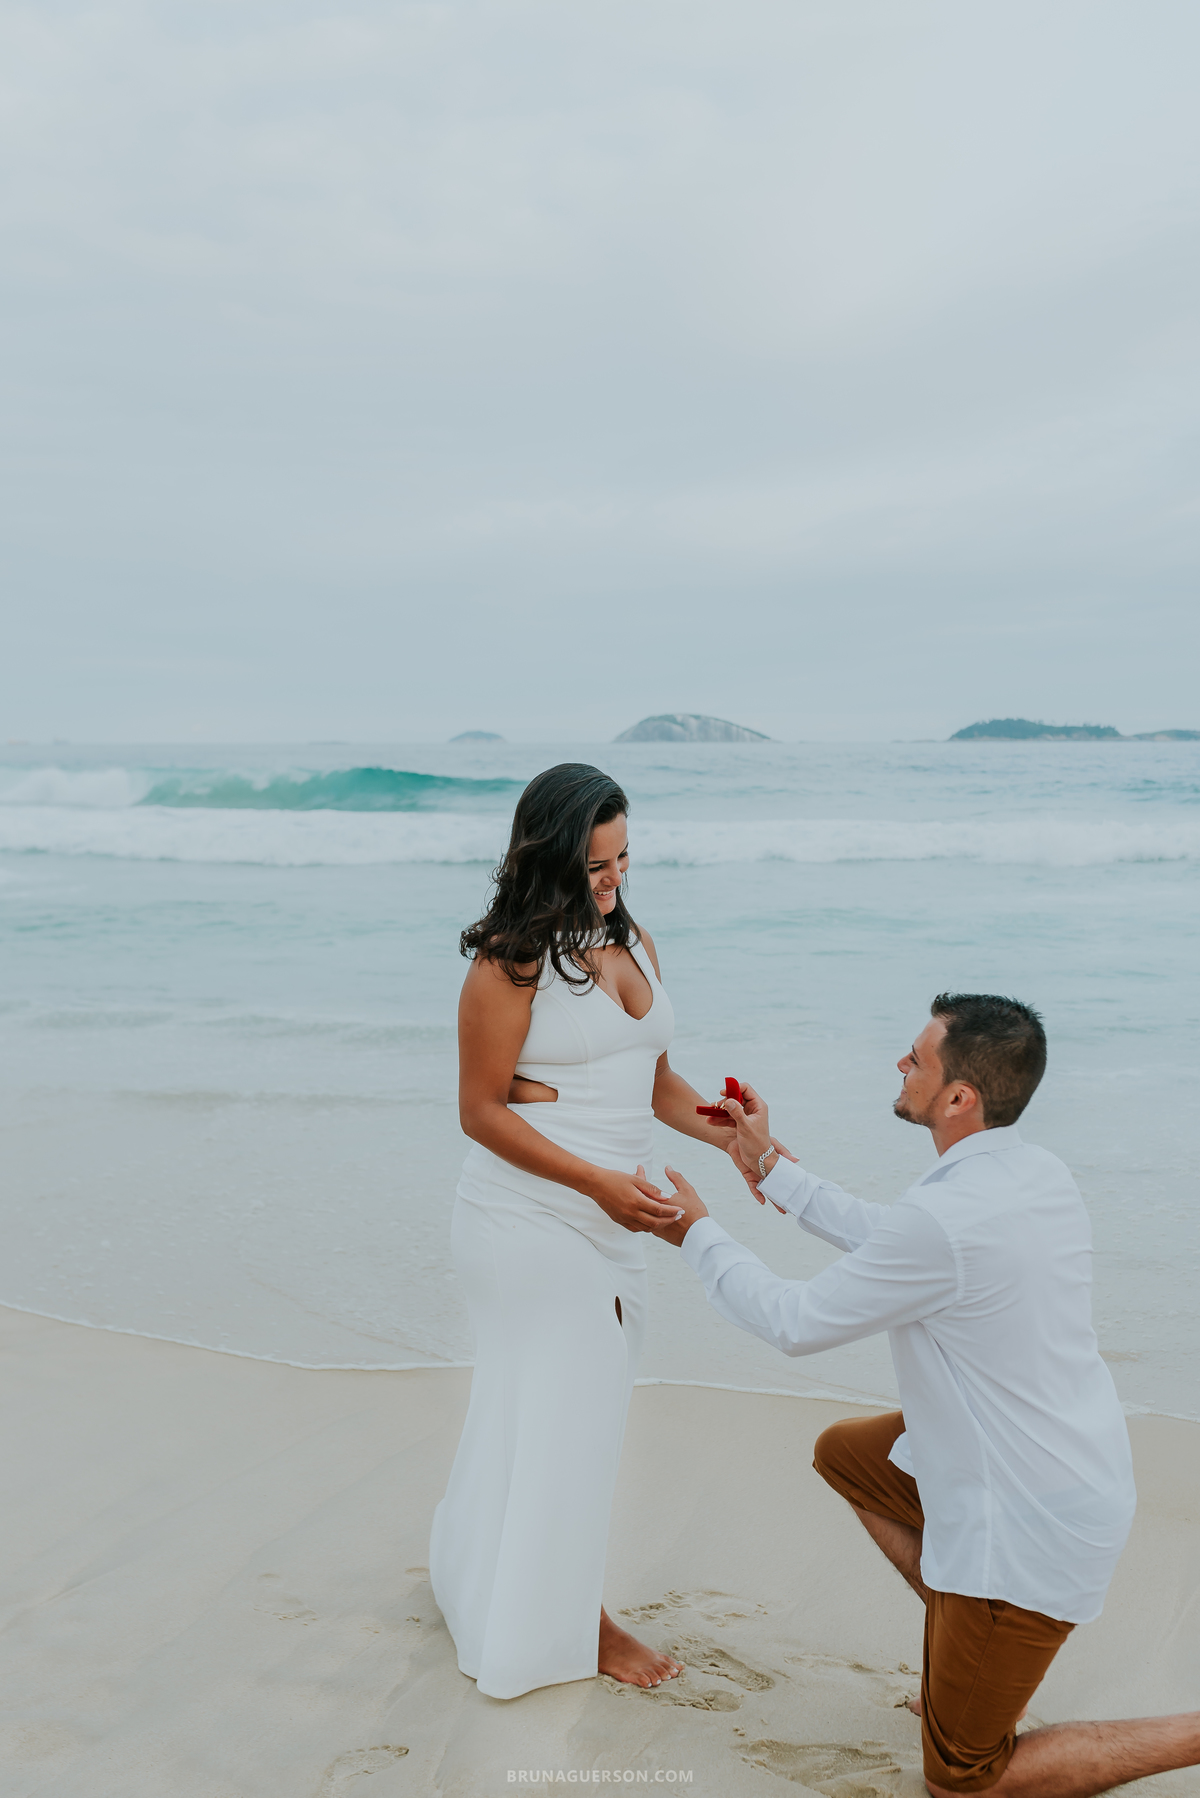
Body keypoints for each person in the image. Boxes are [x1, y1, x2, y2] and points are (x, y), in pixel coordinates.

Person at [653, 994, 1200, 1797]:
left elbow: (795, 1321)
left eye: (916, 1058)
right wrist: (767, 1164)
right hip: (1069, 1468)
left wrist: (696, 1233)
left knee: (963, 1780)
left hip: (1028, 1529)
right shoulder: (1030, 1172)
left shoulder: (946, 1218)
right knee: (849, 1454)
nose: (900, 1066)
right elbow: (896, 1238)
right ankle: (966, 1656)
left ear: (958, 1098)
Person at [429, 763, 748, 1700]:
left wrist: (736, 1138)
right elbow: (482, 1110)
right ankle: (580, 1621)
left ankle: (490, 1564)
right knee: (571, 1412)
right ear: (548, 856)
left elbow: (649, 1081)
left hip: (611, 1210)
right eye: (593, 863)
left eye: (621, 859)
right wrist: (599, 1185)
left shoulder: (635, 939)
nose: (610, 879)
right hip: (521, 1217)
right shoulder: (508, 963)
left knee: (562, 1409)